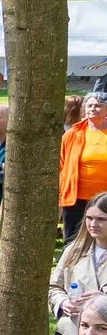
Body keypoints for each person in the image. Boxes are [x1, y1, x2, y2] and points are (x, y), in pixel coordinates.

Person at [55, 196, 107, 335]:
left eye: (101, 219)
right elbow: (54, 286)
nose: (93, 224)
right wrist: (63, 303)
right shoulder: (73, 251)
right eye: (89, 218)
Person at [63, 92, 107, 240]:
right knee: (72, 239)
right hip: (75, 197)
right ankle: (71, 263)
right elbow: (61, 164)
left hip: (104, 198)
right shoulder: (73, 134)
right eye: (89, 105)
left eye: (98, 106)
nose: (93, 109)